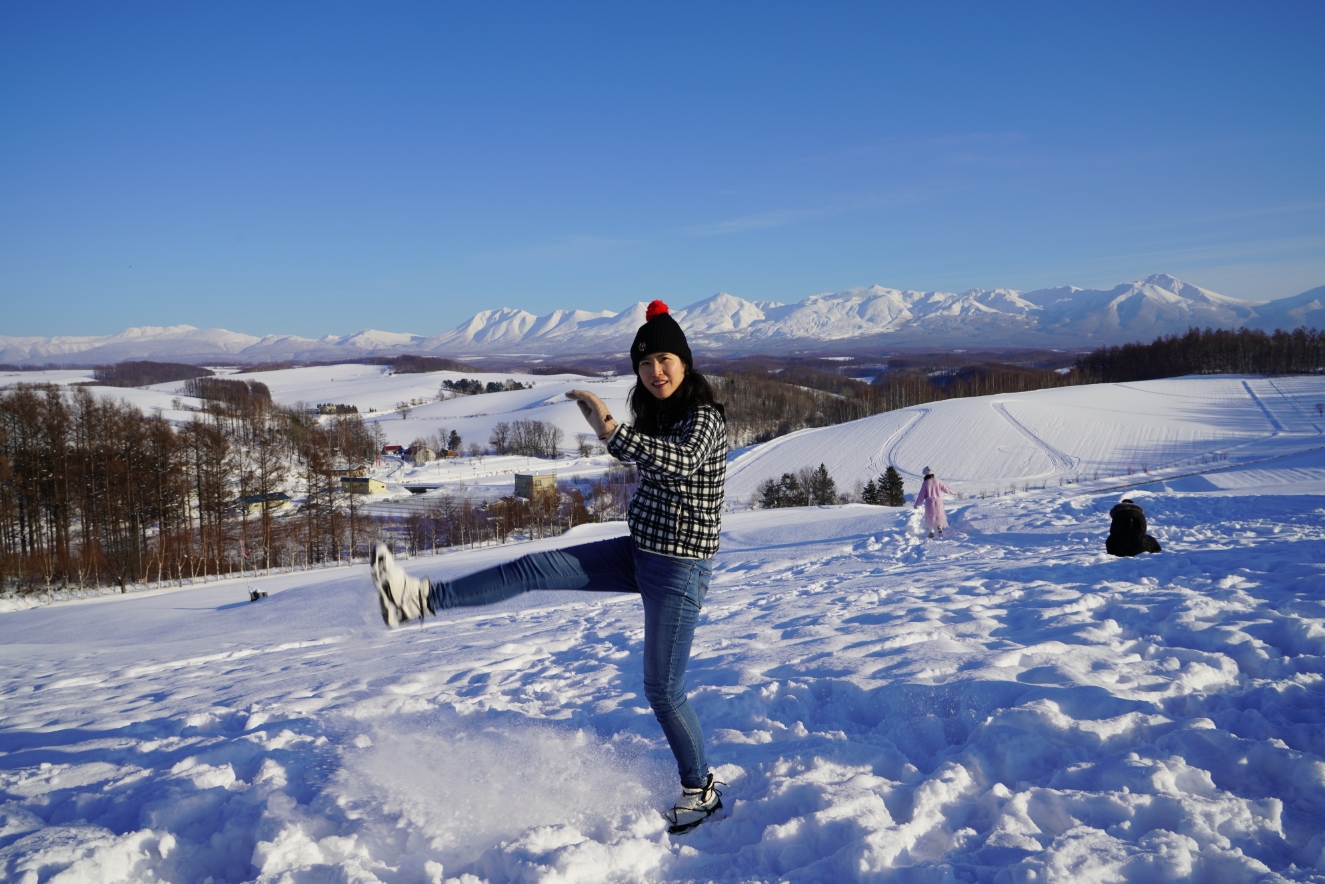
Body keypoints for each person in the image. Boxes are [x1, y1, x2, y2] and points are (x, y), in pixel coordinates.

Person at [369, 300, 728, 834]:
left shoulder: (704, 420)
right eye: (646, 364)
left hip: (679, 571)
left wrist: (609, 428)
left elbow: (680, 461)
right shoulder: (661, 414)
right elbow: (649, 455)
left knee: (663, 689)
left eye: (666, 361)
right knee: (532, 567)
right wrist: (620, 436)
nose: (656, 372)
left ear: (686, 363)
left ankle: (701, 789)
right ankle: (417, 600)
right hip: (637, 553)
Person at [913, 467, 956, 538]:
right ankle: (939, 527)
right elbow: (946, 489)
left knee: (930, 516)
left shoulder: (925, 483)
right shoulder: (938, 481)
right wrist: (954, 492)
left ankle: (931, 532)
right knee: (939, 515)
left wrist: (916, 504)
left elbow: (921, 495)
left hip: (929, 503)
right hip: (939, 502)